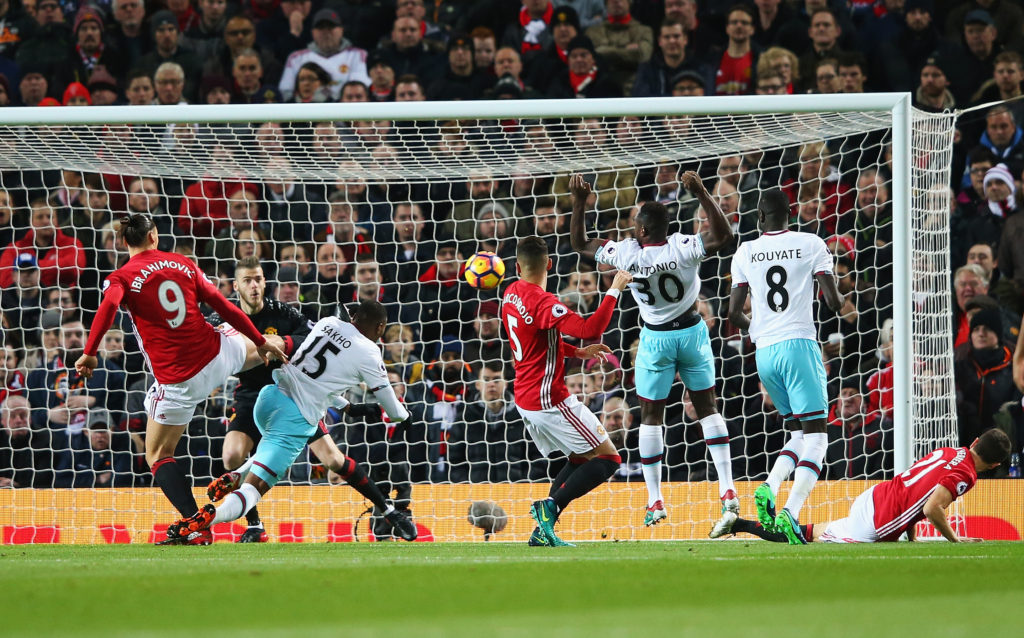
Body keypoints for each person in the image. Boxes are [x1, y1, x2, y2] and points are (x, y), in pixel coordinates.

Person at [74, 213, 288, 546]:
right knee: (265, 344)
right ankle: (307, 378)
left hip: (180, 380)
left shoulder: (122, 276)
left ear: (124, 242)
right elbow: (225, 306)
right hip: (218, 355)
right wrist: (260, 340)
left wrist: (89, 352)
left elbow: (108, 307)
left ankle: (196, 525)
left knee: (157, 454)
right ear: (154, 237)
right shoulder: (182, 264)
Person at [169, 300, 417, 544]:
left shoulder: (327, 323)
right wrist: (405, 417)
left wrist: (348, 406)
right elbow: (392, 408)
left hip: (270, 398)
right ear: (381, 327)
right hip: (297, 417)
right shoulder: (370, 353)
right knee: (254, 490)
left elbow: (315, 374)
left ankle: (239, 473)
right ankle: (209, 518)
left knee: (318, 455)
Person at [570, 171, 737, 530]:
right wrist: (703, 194)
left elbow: (580, 243)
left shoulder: (627, 254)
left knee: (650, 416)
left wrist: (580, 203)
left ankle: (654, 500)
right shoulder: (683, 246)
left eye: (635, 224)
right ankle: (728, 491)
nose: (632, 229)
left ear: (643, 231)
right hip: (692, 331)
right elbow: (725, 236)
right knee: (708, 408)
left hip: (655, 339)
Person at [726, 188, 844, 544]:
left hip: (765, 354)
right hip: (799, 345)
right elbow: (834, 303)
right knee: (819, 437)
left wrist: (761, 329)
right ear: (790, 215)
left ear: (759, 217)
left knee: (797, 434)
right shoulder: (811, 244)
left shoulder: (745, 251)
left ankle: (769, 485)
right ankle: (791, 513)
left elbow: (732, 314)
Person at [501, 235, 632, 546]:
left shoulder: (511, 293)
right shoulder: (544, 301)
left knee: (581, 458)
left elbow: (538, 341)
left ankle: (542, 531)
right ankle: (550, 508)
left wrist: (577, 353)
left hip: (525, 396)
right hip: (549, 399)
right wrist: (615, 288)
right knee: (609, 460)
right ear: (550, 264)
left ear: (518, 266)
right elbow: (591, 330)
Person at [726, 429, 1011, 544]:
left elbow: (915, 486)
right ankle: (740, 524)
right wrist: (955, 539)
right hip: (876, 523)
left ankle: (737, 523)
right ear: (995, 465)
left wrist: (910, 534)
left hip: (875, 495)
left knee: (809, 531)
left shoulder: (951, 452)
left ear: (974, 442)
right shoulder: (966, 474)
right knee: (802, 537)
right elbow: (931, 507)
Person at [204, 256, 313, 542]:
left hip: (290, 394)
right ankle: (254, 524)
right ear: (236, 286)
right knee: (231, 455)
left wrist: (285, 342)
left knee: (333, 458)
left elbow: (311, 337)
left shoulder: (283, 313)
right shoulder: (221, 318)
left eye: (259, 279)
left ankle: (387, 509)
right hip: (251, 394)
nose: (255, 286)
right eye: (248, 281)